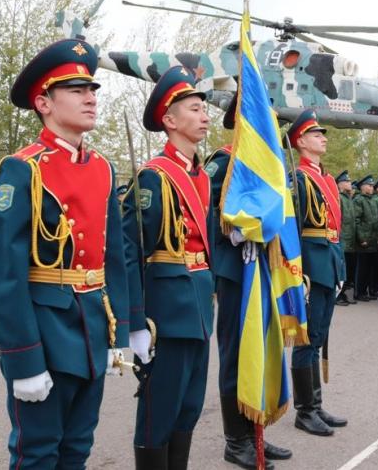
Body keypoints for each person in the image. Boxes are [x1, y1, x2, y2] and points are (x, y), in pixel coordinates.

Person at [0, 39, 130, 469]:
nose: (90, 98)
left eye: (92, 90)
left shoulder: (103, 168)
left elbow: (113, 260)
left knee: (78, 448)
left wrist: (117, 335)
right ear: (44, 102)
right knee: (38, 452)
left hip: (92, 327)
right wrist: (23, 359)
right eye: (76, 90)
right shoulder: (23, 168)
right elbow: (4, 276)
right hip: (46, 332)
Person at [121, 66, 215, 468]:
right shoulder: (155, 178)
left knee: (189, 406)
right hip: (166, 313)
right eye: (194, 109)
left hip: (197, 309)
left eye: (204, 109)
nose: (205, 116)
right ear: (170, 121)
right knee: (160, 410)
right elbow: (129, 251)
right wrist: (136, 322)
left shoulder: (202, 177)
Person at [203, 100, 292, 470]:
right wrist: (234, 232)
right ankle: (235, 441)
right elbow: (206, 211)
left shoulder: (267, 165)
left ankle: (256, 431)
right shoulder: (224, 162)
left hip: (264, 267)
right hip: (234, 268)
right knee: (238, 354)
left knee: (261, 347)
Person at [287, 109, 348, 437]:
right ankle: (305, 410)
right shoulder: (299, 178)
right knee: (306, 339)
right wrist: (298, 274)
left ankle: (316, 404)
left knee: (319, 337)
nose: (323, 138)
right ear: (300, 142)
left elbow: (335, 225)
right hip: (311, 265)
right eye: (316, 134)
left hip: (329, 259)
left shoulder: (324, 177)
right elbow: (293, 228)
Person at [352, 174, 378, 302]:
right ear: (363, 187)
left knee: (371, 268)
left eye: (372, 185)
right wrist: (361, 238)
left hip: (373, 239)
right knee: (362, 268)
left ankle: (368, 290)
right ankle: (359, 292)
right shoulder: (359, 200)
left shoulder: (373, 200)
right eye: (369, 185)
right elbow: (356, 220)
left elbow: (376, 221)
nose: (372, 187)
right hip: (364, 240)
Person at [336, 170, 358, 306]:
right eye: (348, 181)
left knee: (347, 269)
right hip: (342, 238)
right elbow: (338, 220)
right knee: (340, 269)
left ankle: (342, 293)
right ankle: (338, 296)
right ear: (341, 184)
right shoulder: (339, 198)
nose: (350, 183)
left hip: (349, 239)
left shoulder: (348, 199)